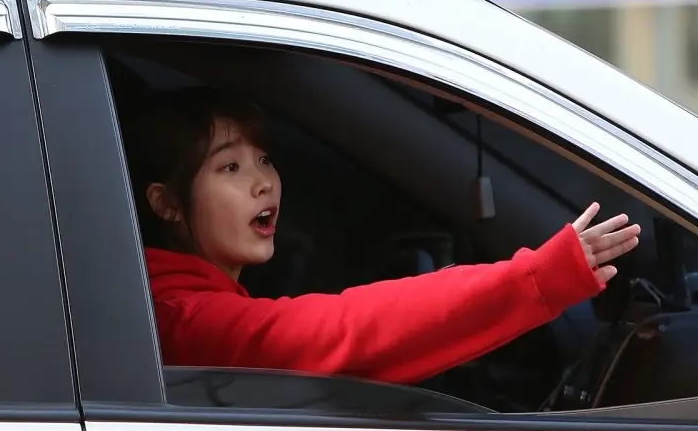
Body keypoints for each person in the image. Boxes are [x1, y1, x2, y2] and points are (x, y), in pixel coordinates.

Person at [124, 87, 641, 384]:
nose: (263, 181)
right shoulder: (178, 320)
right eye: (230, 167)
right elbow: (348, 329)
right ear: (166, 202)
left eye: (263, 159)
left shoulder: (166, 303)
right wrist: (535, 280)